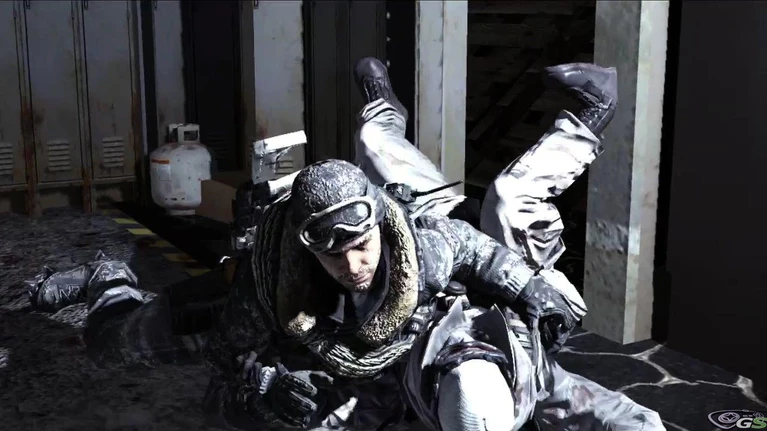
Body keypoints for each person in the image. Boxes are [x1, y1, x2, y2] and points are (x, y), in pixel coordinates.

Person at [26, 58, 664, 431]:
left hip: (392, 322)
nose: (354, 265)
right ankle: (108, 278)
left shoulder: (426, 258)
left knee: (420, 165)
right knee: (119, 341)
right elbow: (228, 362)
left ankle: (386, 107)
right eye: (335, 252)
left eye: (362, 245)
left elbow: (482, 257)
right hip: (273, 315)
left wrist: (528, 285)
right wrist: (264, 382)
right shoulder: (275, 280)